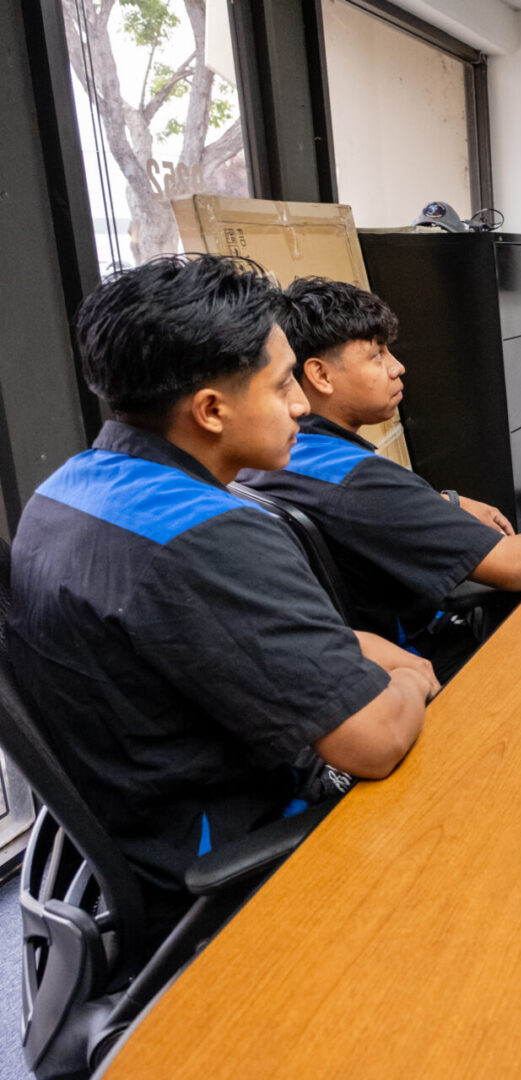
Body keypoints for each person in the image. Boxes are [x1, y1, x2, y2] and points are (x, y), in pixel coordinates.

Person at [7, 255, 437, 935]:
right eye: (282, 384)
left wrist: (355, 647)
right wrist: (412, 679)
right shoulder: (211, 533)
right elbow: (373, 742)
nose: (301, 404)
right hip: (216, 857)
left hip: (127, 830)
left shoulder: (66, 489)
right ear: (210, 409)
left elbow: (191, 630)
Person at [236, 277, 521, 678]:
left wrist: (446, 503)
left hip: (341, 656)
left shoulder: (273, 454)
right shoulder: (362, 481)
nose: (397, 367)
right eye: (377, 355)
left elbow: (360, 509)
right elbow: (512, 565)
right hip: (420, 660)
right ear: (321, 375)